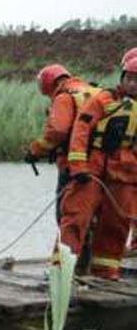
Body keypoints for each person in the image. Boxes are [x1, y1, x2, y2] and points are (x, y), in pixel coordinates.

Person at [59, 48, 137, 280]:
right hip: (92, 171)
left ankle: (106, 271)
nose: (133, 84)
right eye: (130, 79)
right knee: (76, 217)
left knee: (117, 224)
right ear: (122, 78)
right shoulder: (103, 100)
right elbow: (81, 131)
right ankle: (61, 269)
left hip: (125, 175)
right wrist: (78, 166)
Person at [28, 64, 115, 264]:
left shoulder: (64, 97)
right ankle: (89, 264)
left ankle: (65, 267)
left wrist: (35, 150)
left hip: (74, 166)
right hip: (103, 164)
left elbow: (58, 131)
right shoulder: (95, 91)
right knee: (94, 216)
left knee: (67, 215)